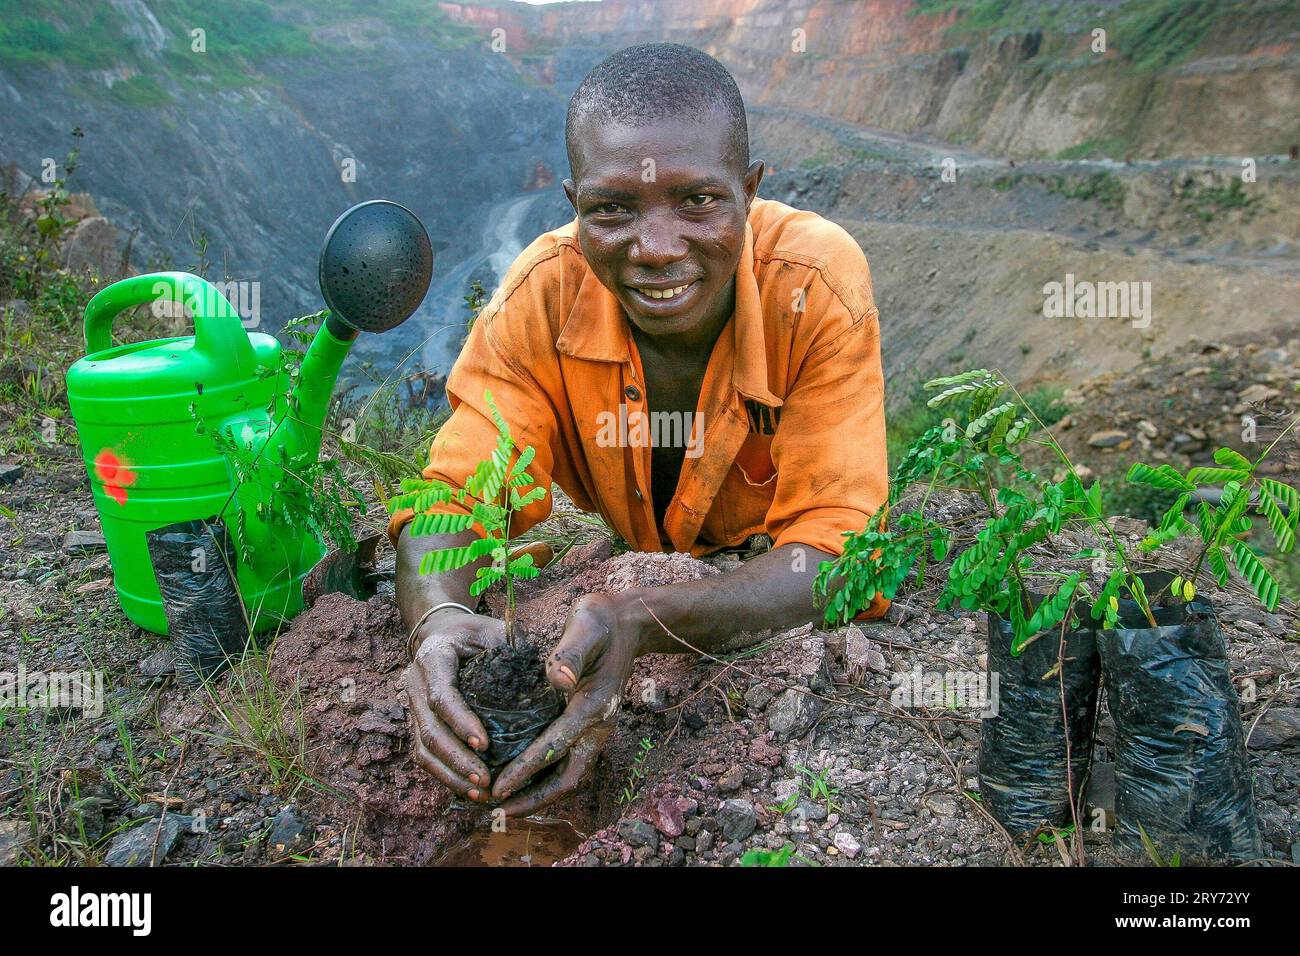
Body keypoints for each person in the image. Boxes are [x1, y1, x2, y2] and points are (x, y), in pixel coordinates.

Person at [388, 42, 888, 816]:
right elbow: (458, 499)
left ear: (750, 194)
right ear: (574, 204)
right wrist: (441, 620)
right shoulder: (541, 296)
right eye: (613, 209)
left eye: (699, 202)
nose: (656, 250)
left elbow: (838, 552)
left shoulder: (814, 284)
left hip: (759, 561)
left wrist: (644, 619)